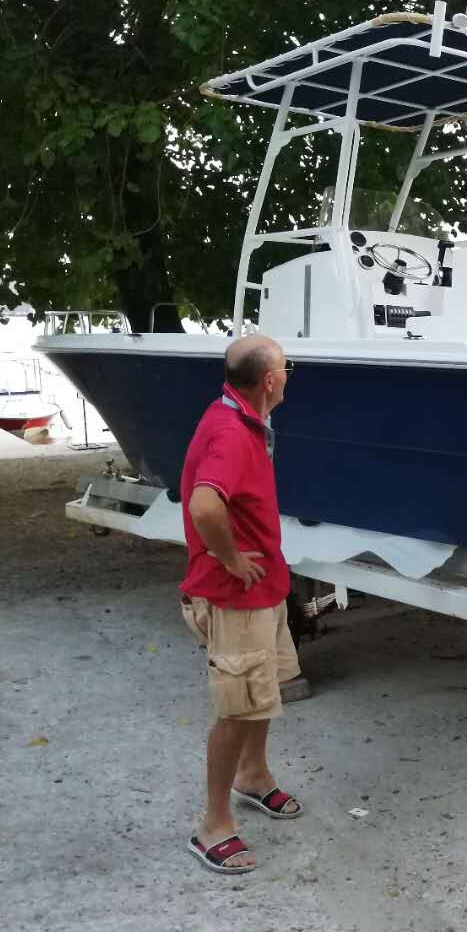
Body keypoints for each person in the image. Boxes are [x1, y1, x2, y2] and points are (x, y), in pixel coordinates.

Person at [180, 334, 301, 874]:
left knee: (263, 692)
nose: (289, 374)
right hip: (237, 595)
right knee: (236, 709)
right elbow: (205, 504)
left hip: (264, 587)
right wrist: (229, 558)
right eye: (287, 367)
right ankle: (213, 825)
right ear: (270, 381)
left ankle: (254, 775)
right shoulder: (231, 432)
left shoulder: (240, 415)